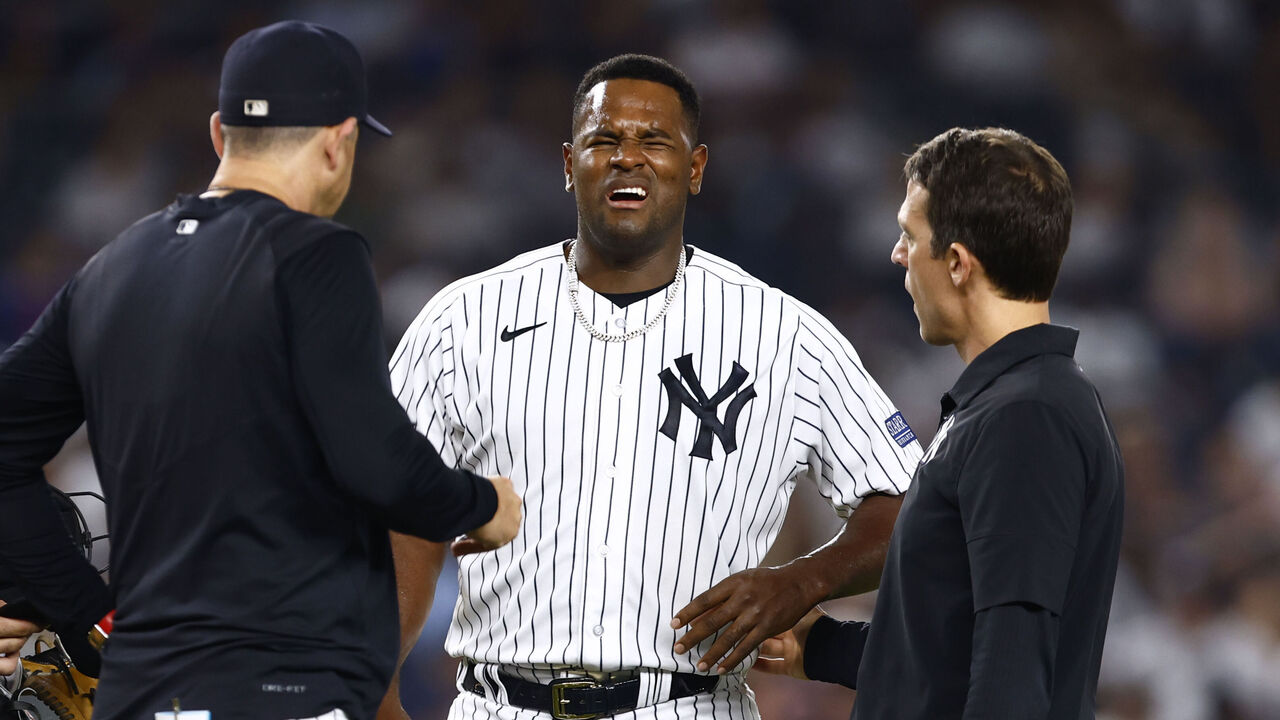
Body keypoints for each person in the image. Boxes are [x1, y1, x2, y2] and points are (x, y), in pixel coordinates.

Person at [0, 21, 521, 720]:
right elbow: (377, 462)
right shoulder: (315, 253)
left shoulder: (110, 267)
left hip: (141, 693)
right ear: (340, 143)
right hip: (282, 687)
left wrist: (88, 617)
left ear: (220, 134)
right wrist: (482, 506)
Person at [380, 54, 921, 720]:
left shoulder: (783, 335)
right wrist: (376, 690)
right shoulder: (462, 320)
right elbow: (387, 513)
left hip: (690, 704)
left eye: (654, 141)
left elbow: (908, 507)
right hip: (500, 703)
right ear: (568, 162)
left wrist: (802, 579)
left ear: (694, 169)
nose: (627, 158)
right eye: (604, 140)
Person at [755, 127, 1125, 719]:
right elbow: (961, 653)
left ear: (956, 262)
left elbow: (1013, 672)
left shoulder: (1027, 418)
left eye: (910, 235)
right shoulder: (1012, 403)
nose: (898, 255)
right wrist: (816, 646)